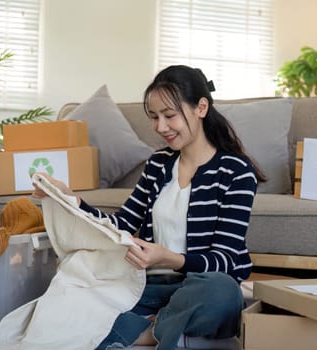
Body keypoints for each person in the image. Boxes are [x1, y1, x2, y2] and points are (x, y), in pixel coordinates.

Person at [32, 65, 265, 350]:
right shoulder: (158, 164)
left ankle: (147, 330)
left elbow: (226, 260)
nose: (160, 127)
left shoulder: (236, 171)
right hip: (150, 287)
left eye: (170, 116)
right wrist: (72, 200)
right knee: (76, 302)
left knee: (223, 293)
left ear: (201, 108)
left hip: (200, 289)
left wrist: (169, 258)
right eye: (154, 117)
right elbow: (121, 225)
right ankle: (165, 328)